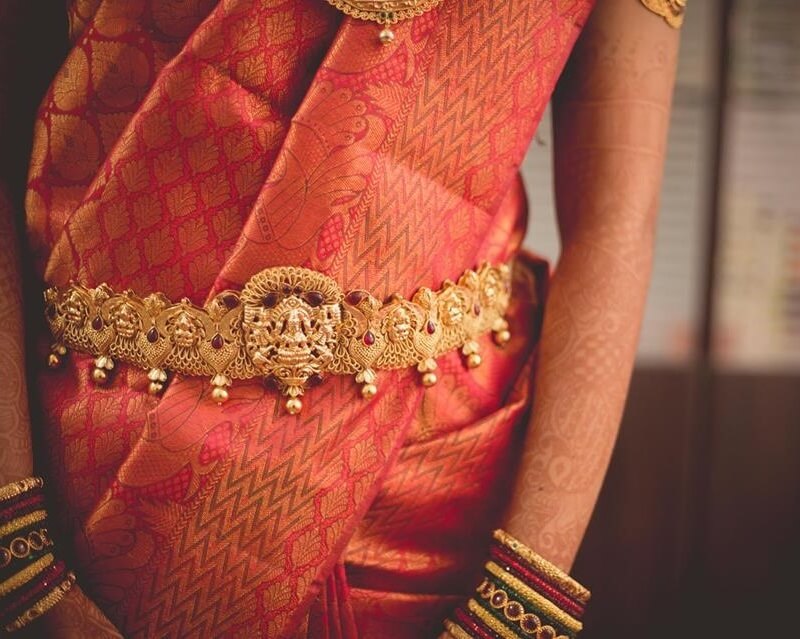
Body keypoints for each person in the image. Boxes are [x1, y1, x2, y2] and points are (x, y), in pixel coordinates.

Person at [0, 0, 683, 636]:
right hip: (95, 457)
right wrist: (20, 547)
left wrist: (521, 593)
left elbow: (615, 224)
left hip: (437, 484)